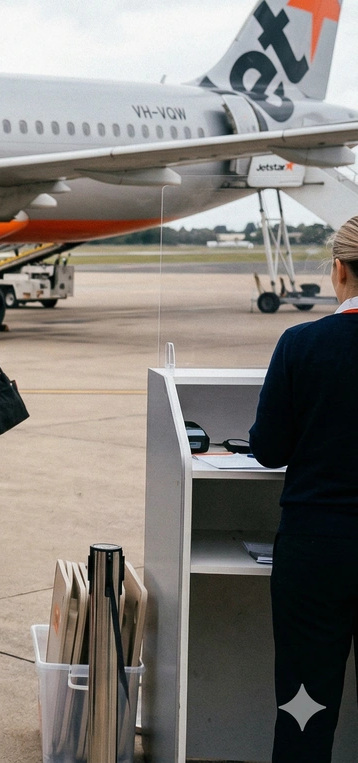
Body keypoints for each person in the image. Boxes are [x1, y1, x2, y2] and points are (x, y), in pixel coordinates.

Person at [251, 216, 358, 763]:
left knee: (305, 705)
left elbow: (268, 448)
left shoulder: (301, 344)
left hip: (317, 548)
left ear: (338, 270)